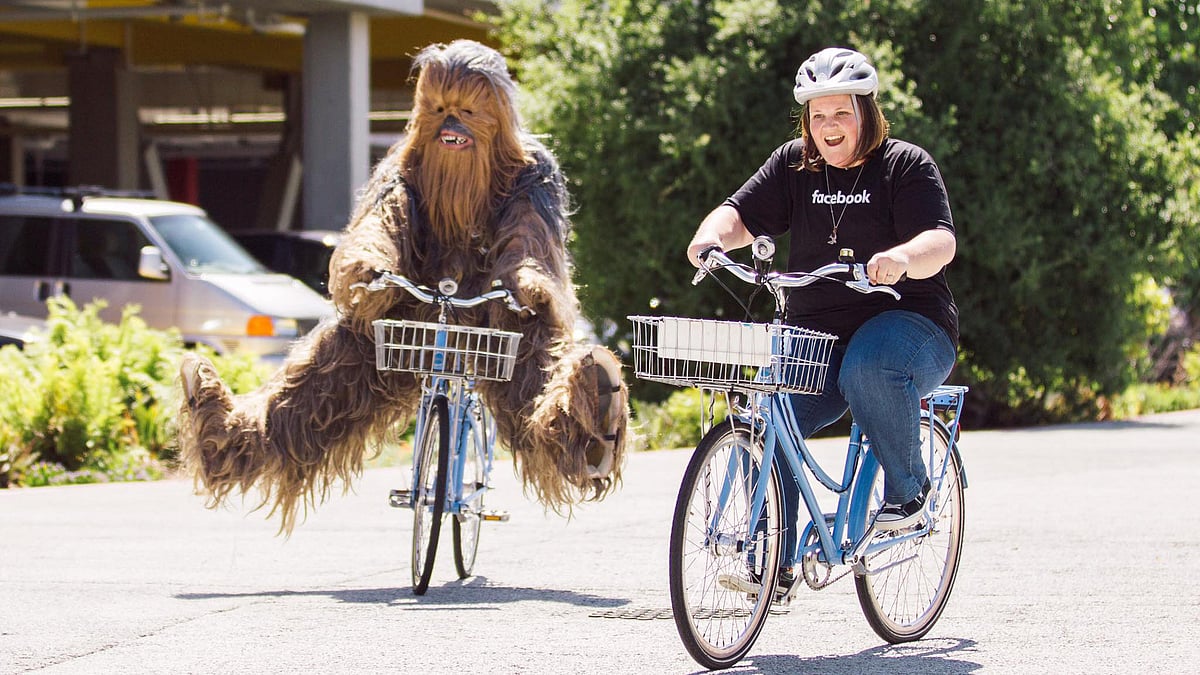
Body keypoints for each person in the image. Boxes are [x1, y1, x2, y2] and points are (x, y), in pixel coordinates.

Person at [686, 47, 959, 597]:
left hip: (910, 324)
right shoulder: (794, 166)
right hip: (818, 338)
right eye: (818, 116)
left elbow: (940, 242)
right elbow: (739, 213)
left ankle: (908, 494)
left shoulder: (906, 166)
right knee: (769, 414)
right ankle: (776, 566)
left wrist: (902, 259)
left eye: (841, 113)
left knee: (870, 368)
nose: (829, 127)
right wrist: (710, 236)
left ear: (866, 112)